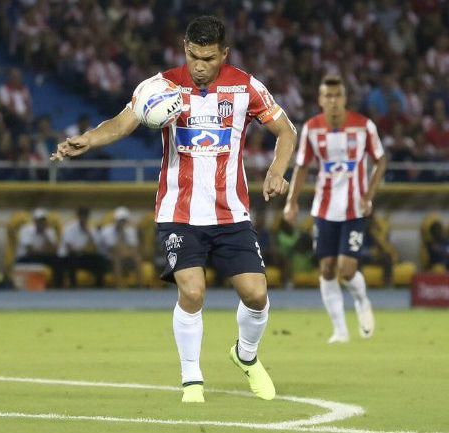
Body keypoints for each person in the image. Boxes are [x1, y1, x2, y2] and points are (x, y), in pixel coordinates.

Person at [52, 16, 296, 403]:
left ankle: (246, 356)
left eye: (209, 58)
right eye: (193, 56)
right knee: (193, 291)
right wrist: (88, 139)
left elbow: (287, 131)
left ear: (224, 54)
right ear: (185, 48)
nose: (200, 66)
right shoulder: (160, 87)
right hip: (178, 211)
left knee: (255, 294)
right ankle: (192, 379)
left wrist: (277, 170)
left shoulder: (246, 87)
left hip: (230, 212)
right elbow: (120, 123)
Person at [283, 74, 386, 344]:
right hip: (325, 209)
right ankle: (340, 331)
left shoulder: (364, 127)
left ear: (345, 98)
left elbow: (381, 159)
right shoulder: (312, 129)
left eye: (337, 95)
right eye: (327, 96)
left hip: (354, 209)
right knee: (327, 269)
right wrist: (291, 202)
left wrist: (369, 194)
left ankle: (362, 301)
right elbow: (302, 167)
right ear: (320, 100)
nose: (333, 101)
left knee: (347, 270)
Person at [58, 207, 107, 287]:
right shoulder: (69, 228)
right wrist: (84, 250)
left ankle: (99, 286)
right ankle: (73, 286)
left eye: (85, 216)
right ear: (78, 216)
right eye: (82, 216)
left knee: (100, 260)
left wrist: (88, 234)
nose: (83, 218)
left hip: (83, 255)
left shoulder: (91, 229)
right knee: (72, 258)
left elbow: (94, 248)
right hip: (69, 256)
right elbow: (70, 248)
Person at [15, 207, 63, 287]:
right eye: (39, 220)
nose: (41, 223)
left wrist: (45, 236)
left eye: (43, 220)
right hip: (26, 257)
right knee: (33, 259)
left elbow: (54, 250)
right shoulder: (26, 230)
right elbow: (29, 251)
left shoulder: (50, 232)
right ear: (35, 221)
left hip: (42, 256)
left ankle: (58, 286)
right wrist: (45, 250)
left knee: (58, 261)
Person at [99, 206, 143, 288]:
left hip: (126, 255)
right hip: (109, 257)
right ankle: (119, 285)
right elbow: (113, 249)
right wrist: (121, 234)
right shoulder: (107, 231)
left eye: (124, 221)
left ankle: (140, 285)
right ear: (115, 220)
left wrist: (127, 253)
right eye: (120, 221)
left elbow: (135, 248)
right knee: (117, 257)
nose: (122, 223)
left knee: (137, 258)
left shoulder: (131, 231)